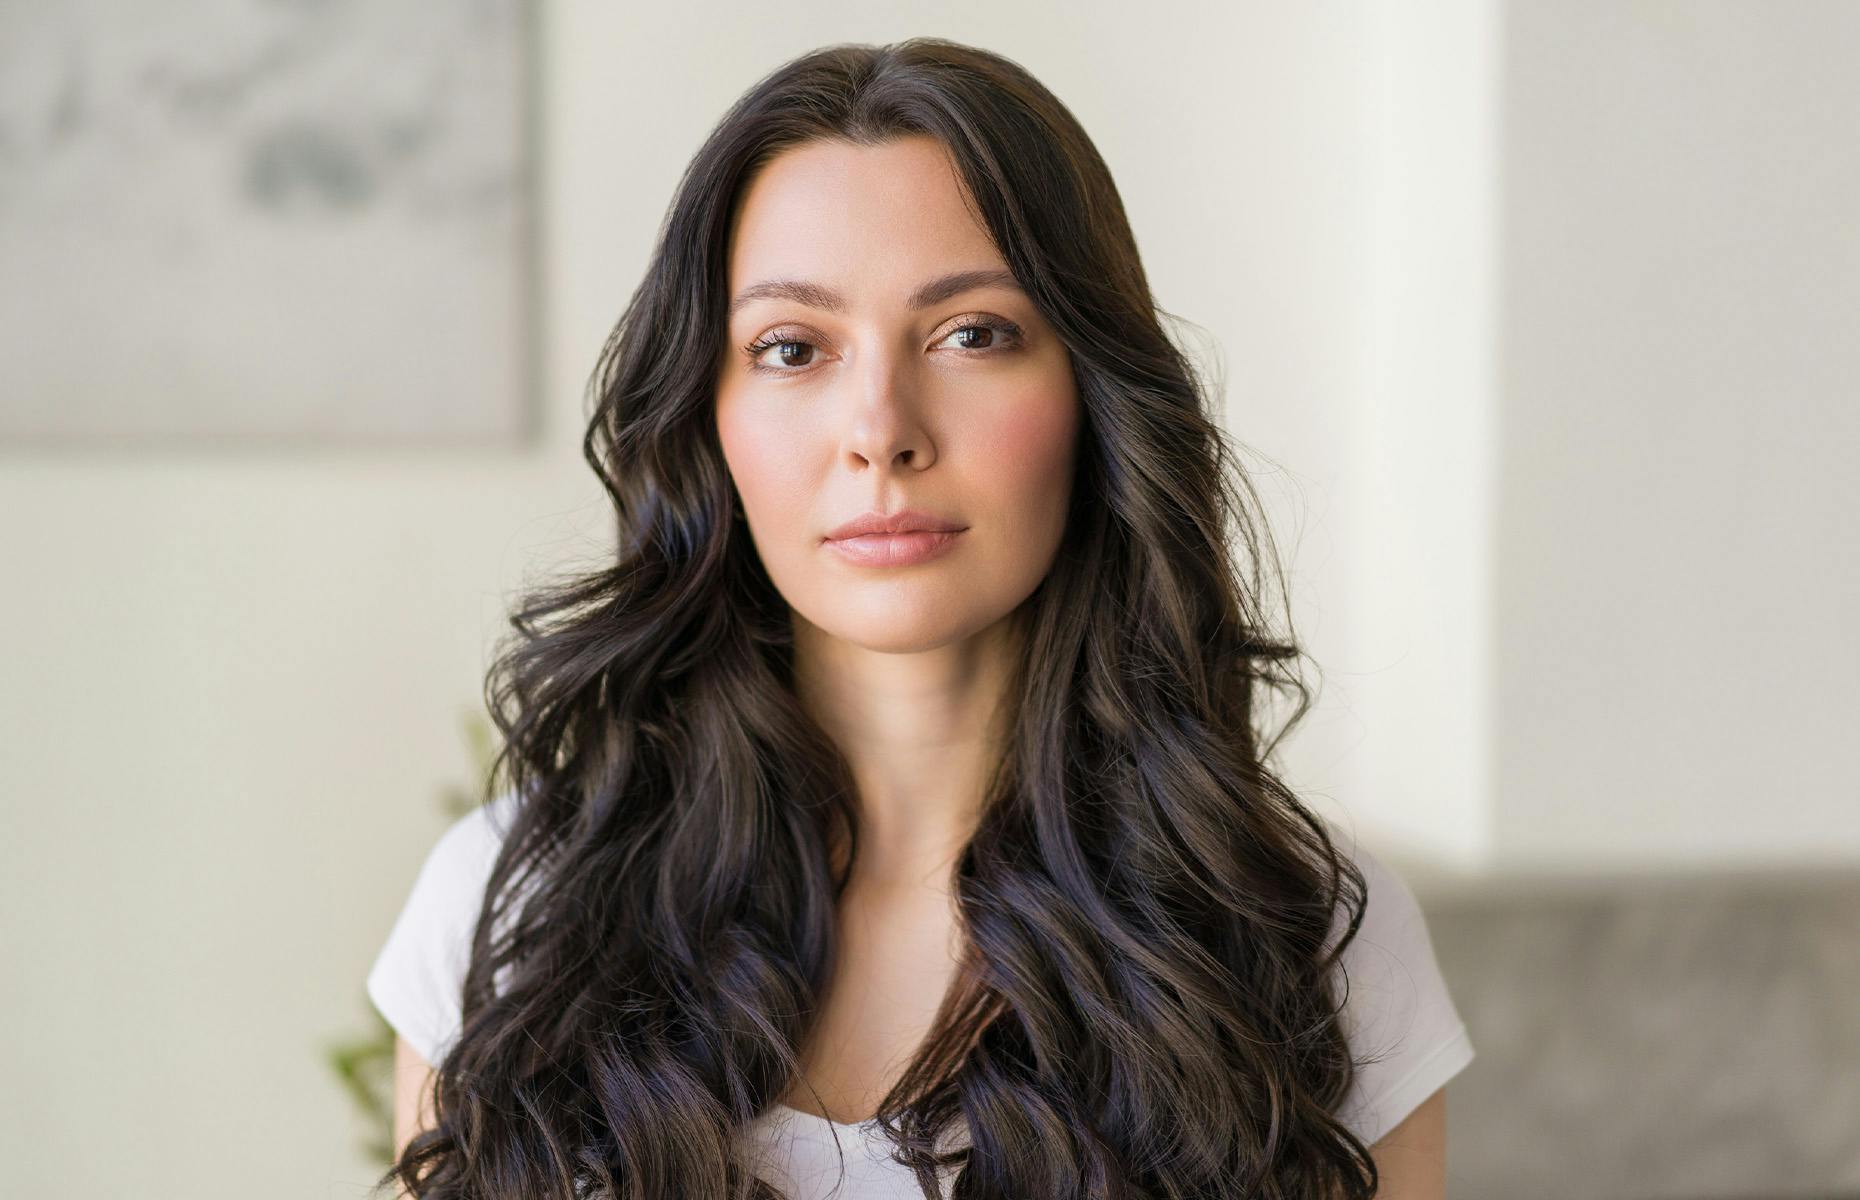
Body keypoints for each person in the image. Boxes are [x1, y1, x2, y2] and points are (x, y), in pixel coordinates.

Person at [366, 36, 1473, 1200]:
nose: (880, 427)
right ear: (709, 418)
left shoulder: (1306, 937)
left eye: (972, 334)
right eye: (793, 349)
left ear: (1092, 395)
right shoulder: (513, 908)